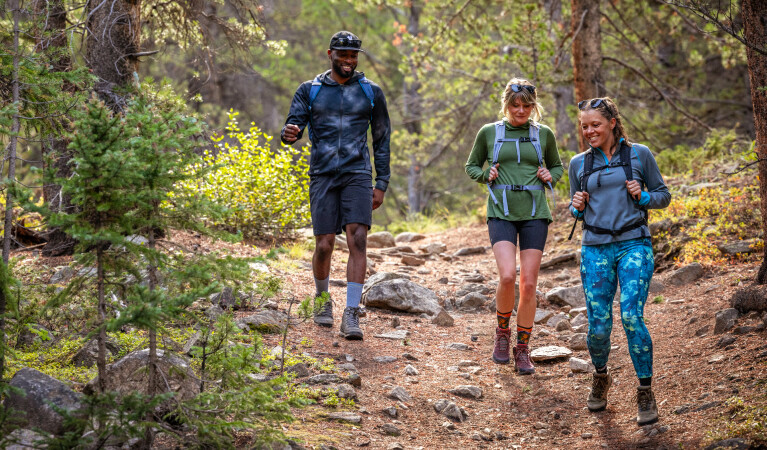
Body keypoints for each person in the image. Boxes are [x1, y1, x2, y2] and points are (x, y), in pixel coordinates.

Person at [281, 31, 391, 340]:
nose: (349, 61)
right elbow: (293, 125)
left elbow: (381, 139)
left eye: (353, 56)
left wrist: (382, 181)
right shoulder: (310, 90)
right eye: (343, 55)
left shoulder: (371, 91)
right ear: (330, 54)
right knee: (324, 244)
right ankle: (322, 299)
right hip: (323, 174)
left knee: (358, 239)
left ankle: (351, 312)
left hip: (358, 173)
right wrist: (289, 133)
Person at [569, 97, 671, 425]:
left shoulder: (639, 154)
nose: (589, 131)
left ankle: (645, 391)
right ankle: (601, 376)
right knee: (599, 326)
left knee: (630, 316)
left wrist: (643, 196)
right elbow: (575, 210)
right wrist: (576, 206)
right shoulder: (578, 163)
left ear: (612, 123)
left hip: (634, 244)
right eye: (584, 126)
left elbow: (663, 196)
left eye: (595, 125)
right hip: (595, 249)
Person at [465, 78, 563, 374]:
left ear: (534, 106)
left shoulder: (543, 134)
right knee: (508, 276)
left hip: (535, 212)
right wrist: (485, 175)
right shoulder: (489, 132)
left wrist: (550, 176)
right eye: (515, 105)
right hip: (501, 211)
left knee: (529, 283)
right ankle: (502, 334)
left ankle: (523, 348)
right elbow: (472, 166)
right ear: (506, 104)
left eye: (527, 106)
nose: (521, 110)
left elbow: (557, 166)